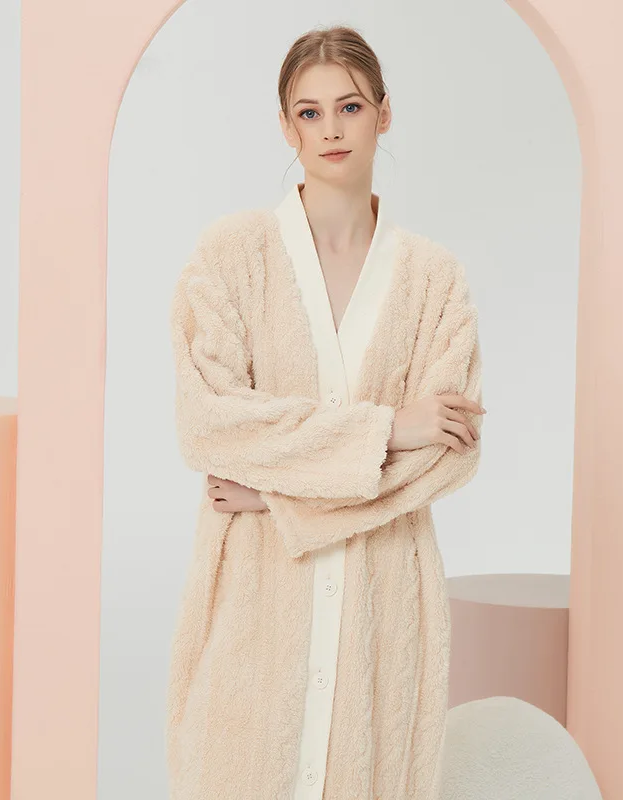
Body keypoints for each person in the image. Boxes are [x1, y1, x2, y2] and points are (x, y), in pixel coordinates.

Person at [166, 24, 486, 800]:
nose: (331, 128)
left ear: (383, 113)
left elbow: (448, 452)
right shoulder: (230, 257)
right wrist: (389, 428)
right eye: (309, 113)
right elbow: (210, 423)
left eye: (350, 106)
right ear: (287, 127)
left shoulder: (435, 281)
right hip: (255, 601)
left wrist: (273, 493)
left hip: (387, 602)